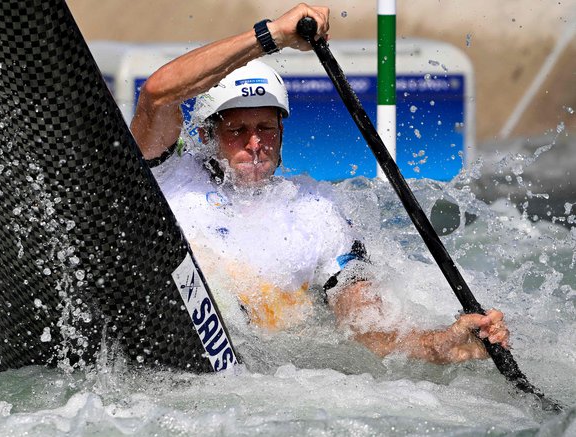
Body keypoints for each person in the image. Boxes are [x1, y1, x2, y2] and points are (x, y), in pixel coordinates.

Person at [130, 3, 509, 364]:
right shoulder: (167, 176)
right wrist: (273, 34)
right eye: (237, 130)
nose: (255, 143)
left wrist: (441, 345)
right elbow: (157, 94)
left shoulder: (317, 214)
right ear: (207, 134)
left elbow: (370, 332)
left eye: (265, 128)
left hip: (261, 375)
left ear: (281, 130)